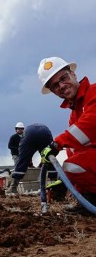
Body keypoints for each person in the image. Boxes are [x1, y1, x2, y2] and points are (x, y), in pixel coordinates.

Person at [38, 56, 96, 214]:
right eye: (55, 86)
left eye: (64, 78)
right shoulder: (75, 112)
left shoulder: (94, 92)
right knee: (71, 155)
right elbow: (79, 150)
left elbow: (90, 125)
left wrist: (56, 144)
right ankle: (88, 199)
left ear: (73, 75)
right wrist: (68, 182)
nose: (61, 86)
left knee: (72, 163)